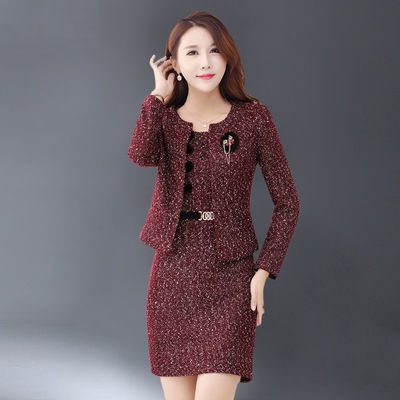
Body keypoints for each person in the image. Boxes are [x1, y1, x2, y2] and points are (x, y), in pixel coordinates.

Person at [128, 11, 300, 400]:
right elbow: (140, 154)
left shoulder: (254, 118)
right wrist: (157, 95)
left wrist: (263, 273)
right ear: (175, 63)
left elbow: (288, 203)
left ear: (228, 56)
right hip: (172, 277)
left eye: (214, 51)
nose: (206, 62)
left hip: (232, 277)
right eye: (192, 52)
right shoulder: (165, 118)